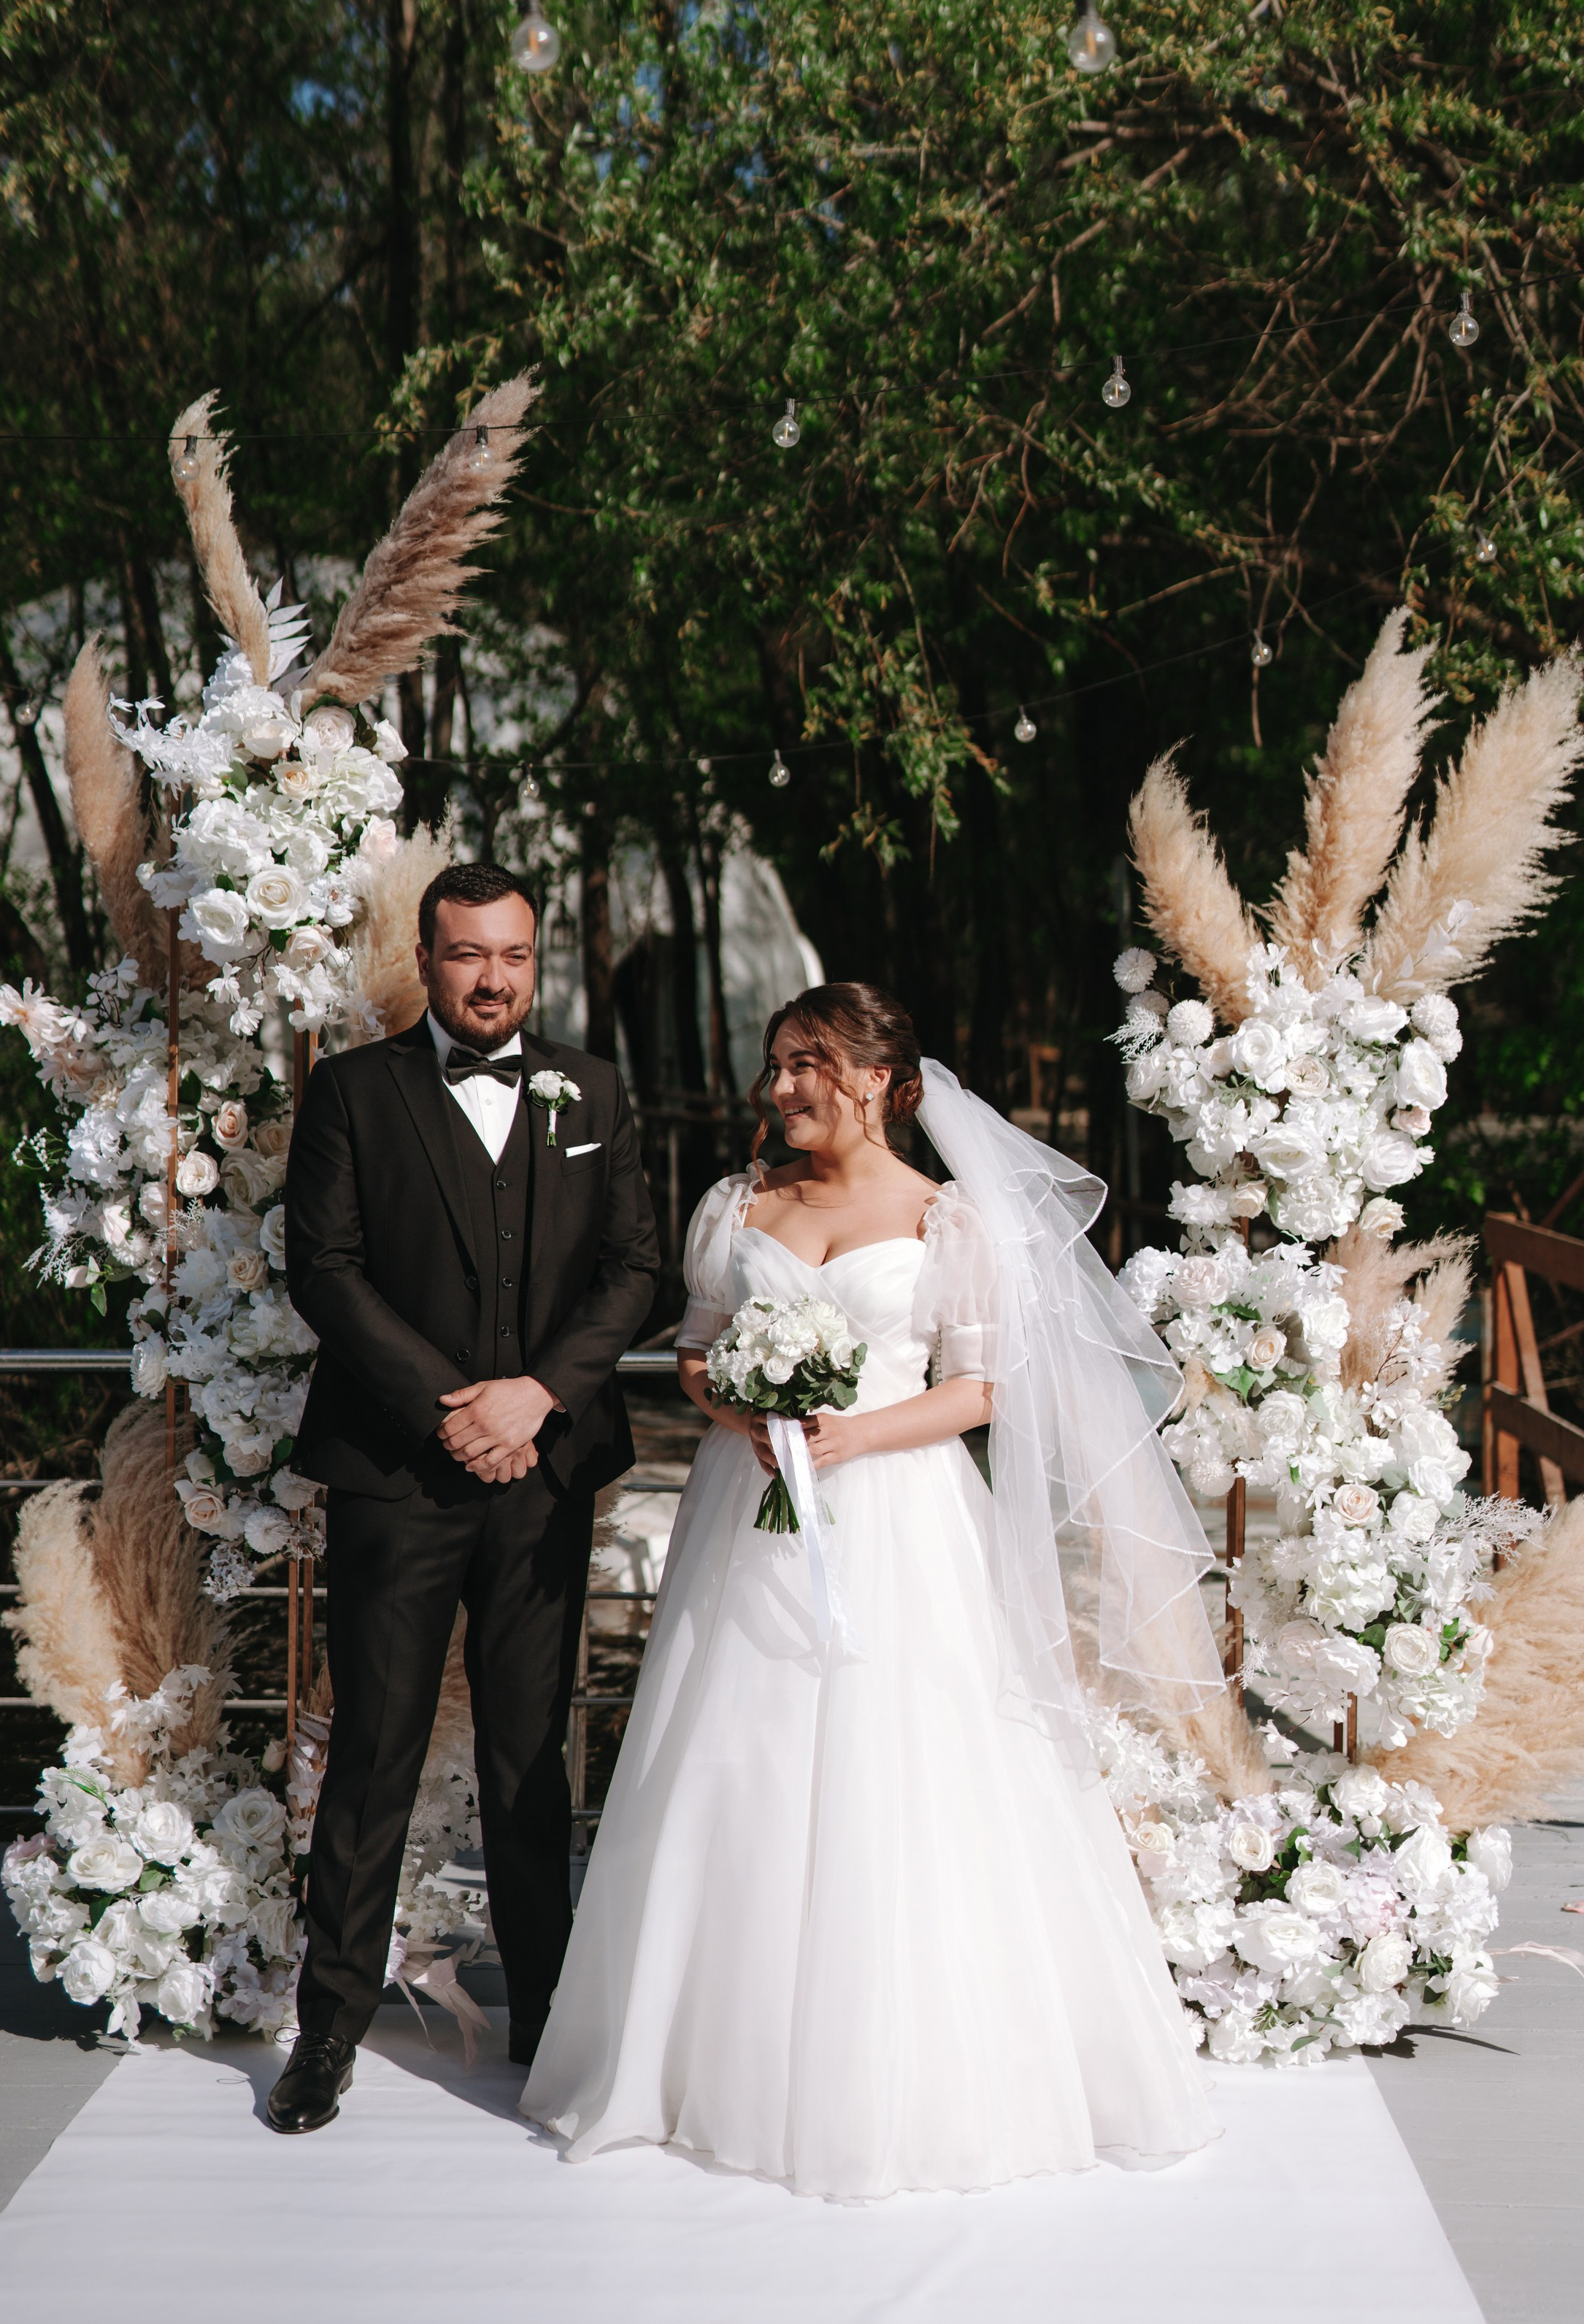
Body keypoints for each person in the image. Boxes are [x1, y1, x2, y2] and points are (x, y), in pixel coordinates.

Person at [522, 982, 1223, 2200]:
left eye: (809, 1063)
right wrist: (734, 1404)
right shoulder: (737, 1204)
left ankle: (920, 2071)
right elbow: (694, 1343)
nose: (782, 1086)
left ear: (881, 1082)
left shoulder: (954, 1221)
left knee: (914, 1769)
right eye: (778, 1062)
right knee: (736, 1762)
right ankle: (699, 2059)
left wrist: (860, 1436)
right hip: (749, 1514)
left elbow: (985, 1387)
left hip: (903, 1518)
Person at [266, 862, 659, 2135]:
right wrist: (458, 1404)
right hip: (398, 1477)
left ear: (534, 961)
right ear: (425, 959)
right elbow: (322, 1271)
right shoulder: (353, 1091)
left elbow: (633, 1267)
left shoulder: (591, 1090)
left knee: (528, 1757)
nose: (492, 979)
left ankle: (547, 2020)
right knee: (373, 1752)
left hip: (544, 1479)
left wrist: (535, 1397)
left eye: (513, 956)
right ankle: (327, 2033)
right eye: (466, 955)